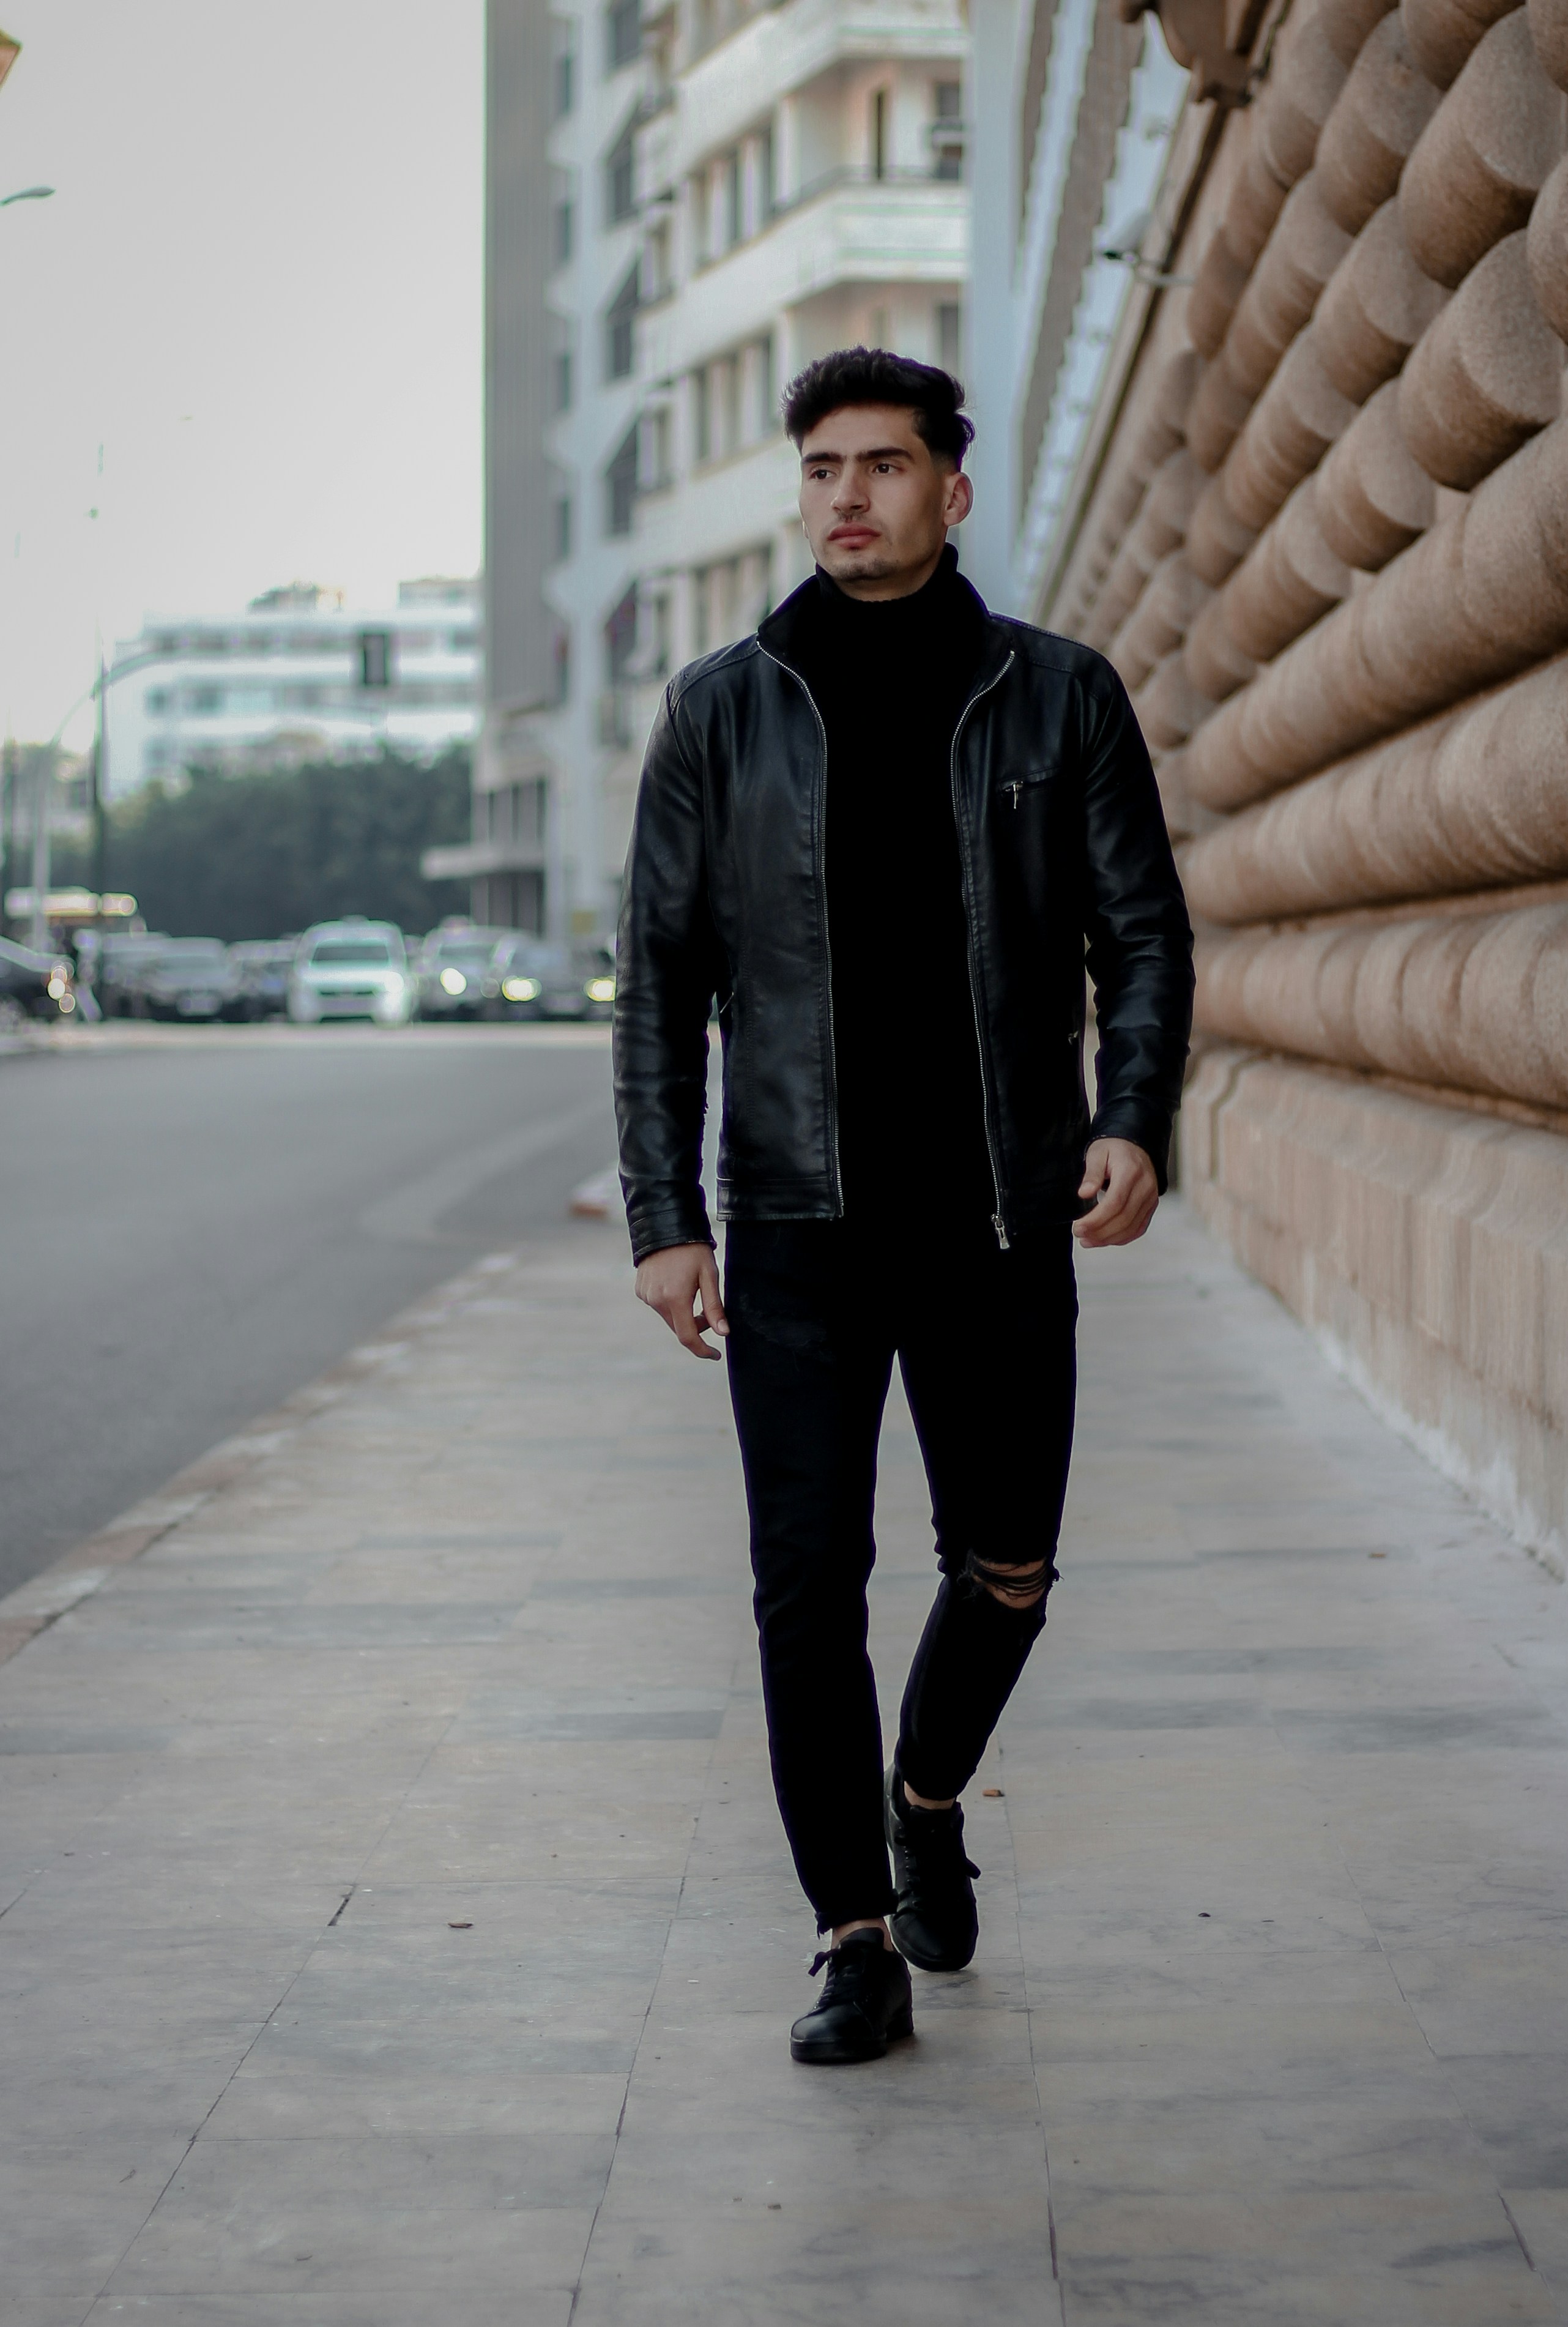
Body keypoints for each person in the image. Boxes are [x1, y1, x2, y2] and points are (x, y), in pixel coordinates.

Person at [614, 348, 1194, 2065]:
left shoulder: (1055, 693)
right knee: (805, 1580)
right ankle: (849, 1932)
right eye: (818, 468)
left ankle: (924, 1793)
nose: (844, 495)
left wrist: (1132, 1116)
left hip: (997, 1213)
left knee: (1006, 1559)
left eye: (879, 464)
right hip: (791, 1215)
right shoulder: (722, 708)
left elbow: (1140, 931)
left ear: (950, 487)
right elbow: (654, 975)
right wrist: (665, 1205)